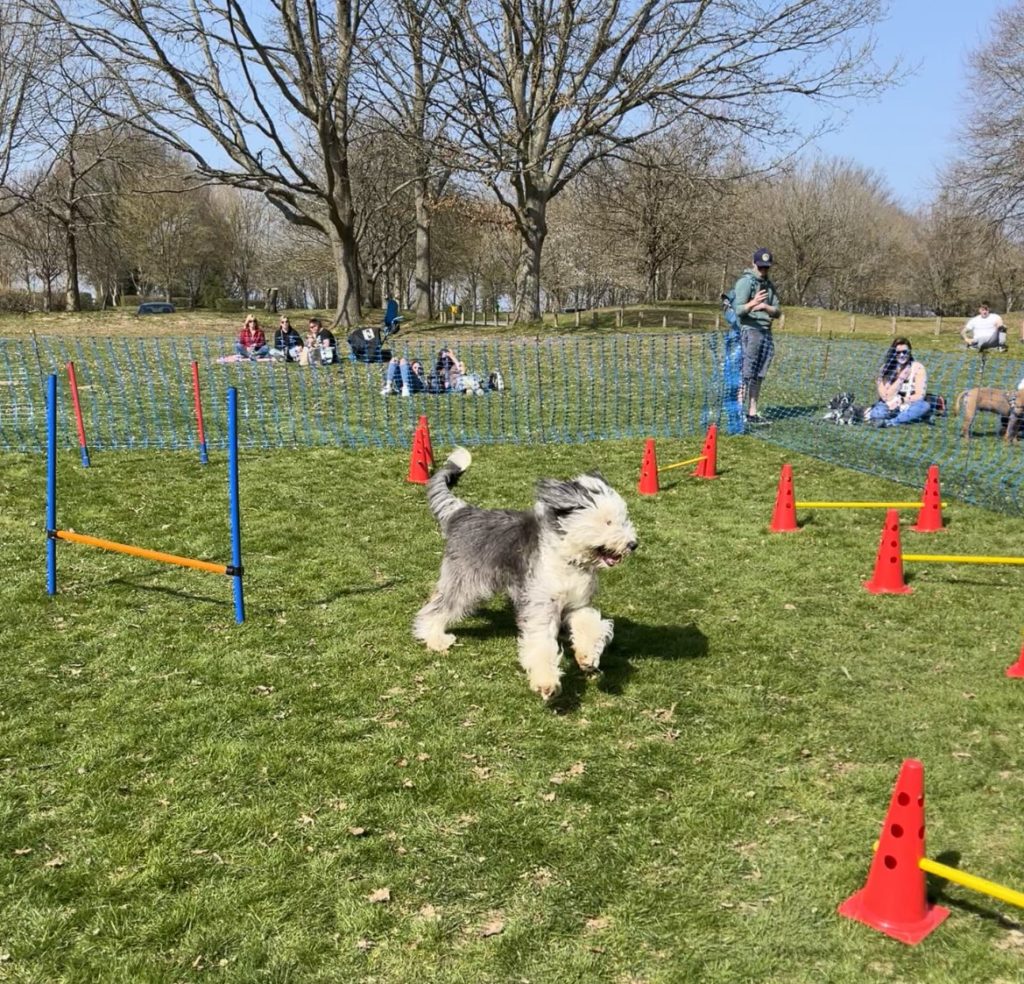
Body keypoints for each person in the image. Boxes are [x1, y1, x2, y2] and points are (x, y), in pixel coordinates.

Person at [734, 248, 782, 427]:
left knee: (759, 374)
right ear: (754, 264)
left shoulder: (770, 286)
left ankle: (752, 412)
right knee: (746, 373)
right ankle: (738, 411)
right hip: (751, 331)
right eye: (760, 267)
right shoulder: (745, 282)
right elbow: (738, 309)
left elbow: (777, 311)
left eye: (766, 268)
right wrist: (752, 303)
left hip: (766, 332)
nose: (763, 271)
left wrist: (765, 307)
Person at [866, 337, 931, 427]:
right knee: (876, 414)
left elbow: (920, 395)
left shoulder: (918, 368)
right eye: (898, 352)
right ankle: (900, 417)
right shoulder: (886, 368)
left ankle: (892, 422)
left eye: (905, 352)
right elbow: (885, 397)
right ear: (893, 353)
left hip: (909, 403)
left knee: (924, 406)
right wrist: (901, 378)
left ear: (910, 352)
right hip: (889, 404)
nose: (902, 355)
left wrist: (902, 400)